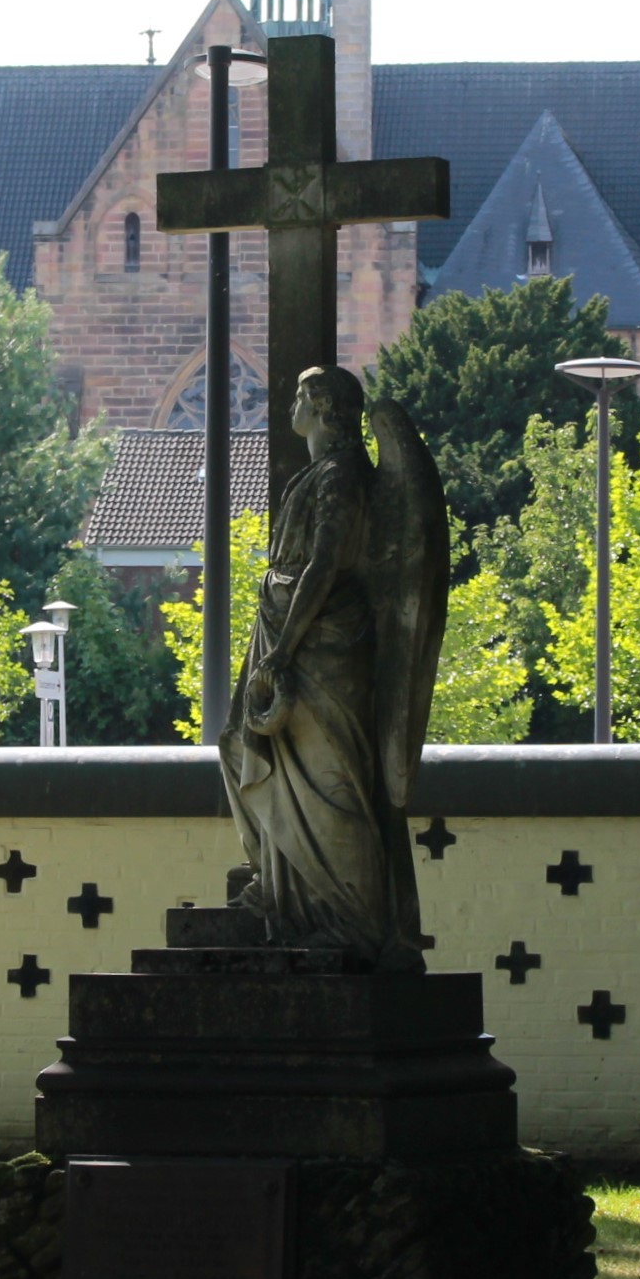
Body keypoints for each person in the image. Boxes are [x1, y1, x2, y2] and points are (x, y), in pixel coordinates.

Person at [223, 366, 426, 971]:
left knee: (333, 784)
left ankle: (352, 923)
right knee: (238, 747)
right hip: (291, 634)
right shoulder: (319, 473)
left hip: (324, 644)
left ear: (320, 406)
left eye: (296, 393)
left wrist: (284, 648)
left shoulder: (342, 474)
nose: (288, 404)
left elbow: (326, 563)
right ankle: (281, 886)